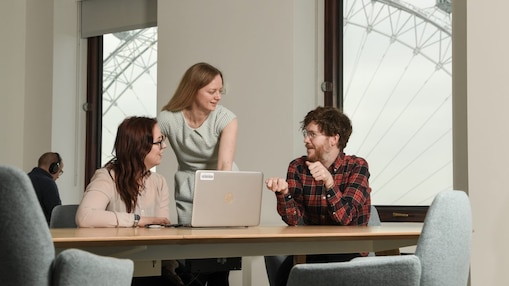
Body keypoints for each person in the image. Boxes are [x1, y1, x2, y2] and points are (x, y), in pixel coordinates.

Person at [264, 106, 372, 286]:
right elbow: (294, 221)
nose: (306, 140)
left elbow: (345, 218)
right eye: (306, 134)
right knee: (284, 279)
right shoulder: (297, 167)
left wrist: (329, 183)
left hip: (348, 250)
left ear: (333, 139)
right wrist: (283, 194)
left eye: (312, 134)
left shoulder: (357, 167)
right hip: (310, 249)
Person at [158, 62, 238, 286]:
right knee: (192, 263)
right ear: (192, 90)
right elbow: (148, 151)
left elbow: (224, 166)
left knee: (219, 266)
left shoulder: (226, 118)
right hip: (188, 187)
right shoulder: (167, 119)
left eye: (220, 91)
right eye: (212, 91)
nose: (218, 97)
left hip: (223, 188)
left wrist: (218, 211)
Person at [75, 116, 179, 285]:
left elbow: (161, 232)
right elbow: (85, 217)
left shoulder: (159, 182)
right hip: (116, 266)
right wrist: (137, 220)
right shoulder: (107, 176)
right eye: (159, 141)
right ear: (139, 146)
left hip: (152, 265)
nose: (164, 146)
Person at [28, 152, 64, 224]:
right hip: (43, 230)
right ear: (53, 168)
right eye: (59, 171)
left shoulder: (25, 178)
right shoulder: (48, 183)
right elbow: (56, 215)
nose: (58, 176)